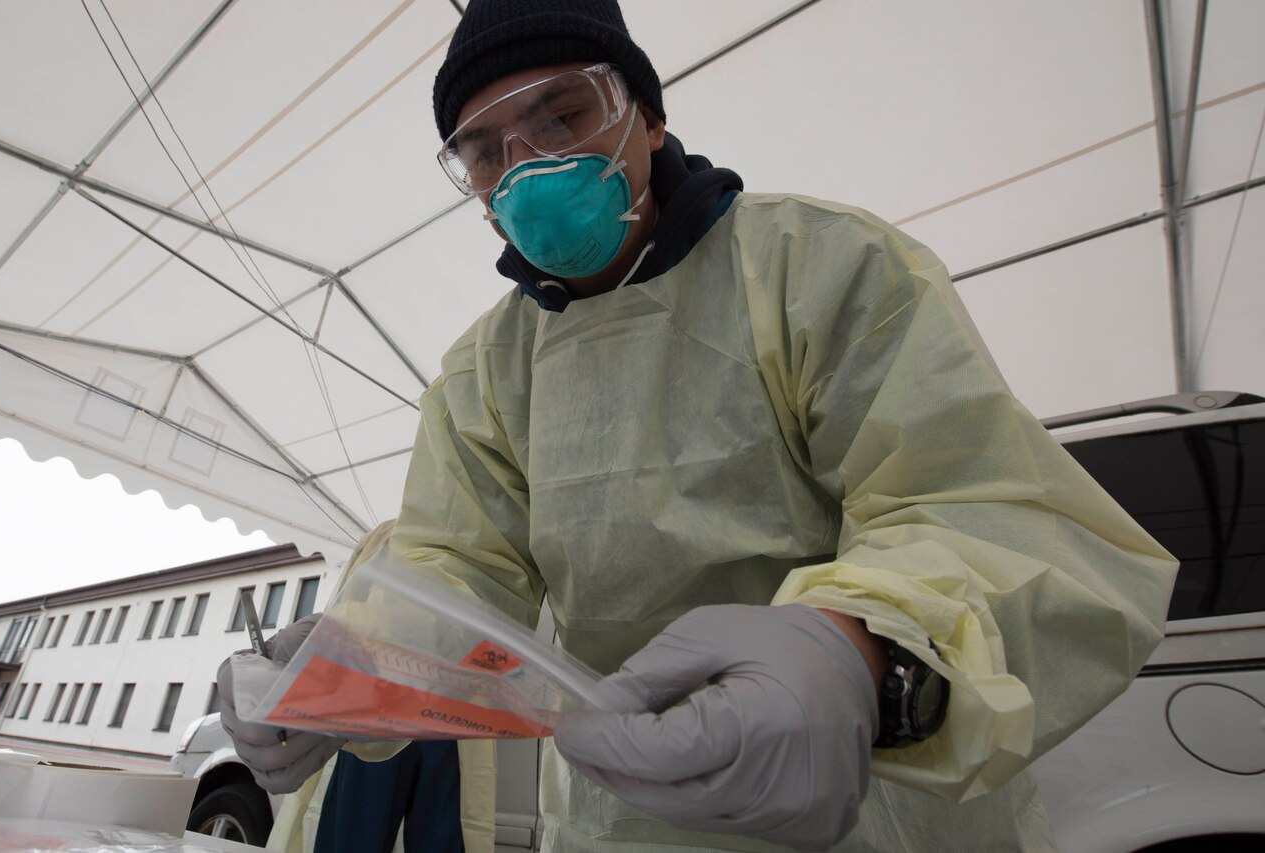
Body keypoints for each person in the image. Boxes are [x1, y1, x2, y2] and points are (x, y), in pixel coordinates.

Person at [220, 1, 1179, 850]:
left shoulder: (823, 271)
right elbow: (455, 572)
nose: (530, 167)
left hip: (881, 816)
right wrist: (350, 664)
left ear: (647, 114)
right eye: (487, 150)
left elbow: (982, 507)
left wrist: (862, 649)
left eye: (564, 114)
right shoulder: (484, 374)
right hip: (623, 821)